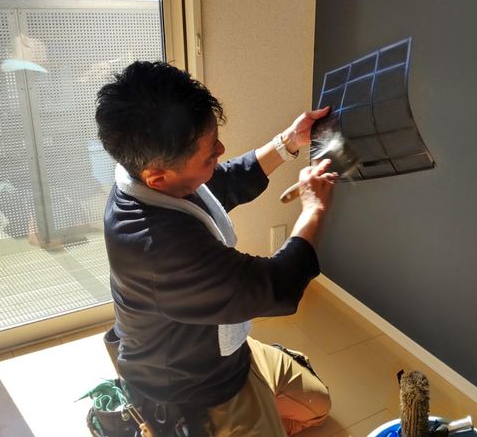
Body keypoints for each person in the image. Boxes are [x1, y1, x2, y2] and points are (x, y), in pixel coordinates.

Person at [95, 60, 336, 436]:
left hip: (225, 351)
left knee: (318, 406)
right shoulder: (158, 248)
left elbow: (221, 183)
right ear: (158, 176)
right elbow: (278, 287)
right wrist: (314, 209)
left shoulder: (146, 180)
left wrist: (288, 142)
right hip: (194, 388)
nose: (221, 150)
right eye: (209, 154)